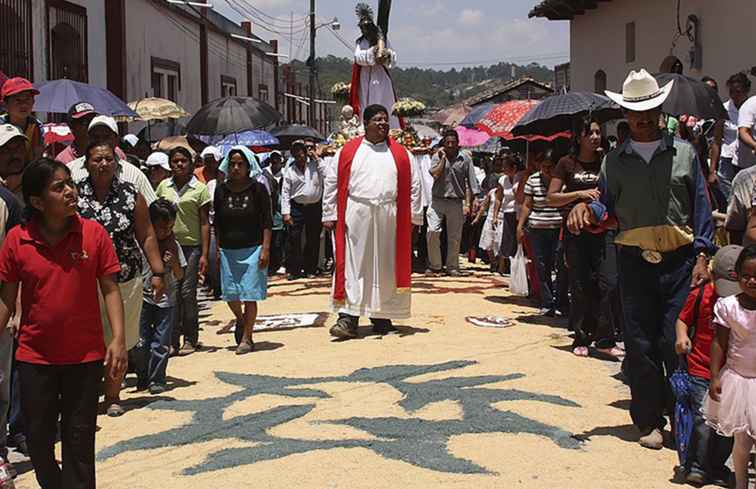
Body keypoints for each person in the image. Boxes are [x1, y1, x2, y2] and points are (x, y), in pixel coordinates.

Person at [571, 69, 715, 449]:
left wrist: (703, 254)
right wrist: (589, 211)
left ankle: (681, 415)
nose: (644, 119)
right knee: (640, 343)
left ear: (660, 110)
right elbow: (607, 207)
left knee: (674, 341)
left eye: (651, 110)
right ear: (626, 115)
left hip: (681, 262)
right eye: (636, 112)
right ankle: (648, 421)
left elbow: (701, 205)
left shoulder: (684, 153)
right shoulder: (615, 161)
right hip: (634, 262)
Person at [0, 158, 127, 489]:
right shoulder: (16, 240)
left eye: (70, 183)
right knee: (39, 443)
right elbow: (5, 299)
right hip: (34, 358)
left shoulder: (93, 234)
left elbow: (110, 289)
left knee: (79, 442)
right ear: (38, 202)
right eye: (59, 187)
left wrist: (118, 339)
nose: (71, 191)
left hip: (84, 359)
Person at [76, 141, 166, 417]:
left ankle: (113, 395)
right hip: (83, 282)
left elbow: (147, 234)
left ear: (116, 164)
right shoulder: (74, 195)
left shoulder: (131, 194)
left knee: (120, 338)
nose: (103, 164)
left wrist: (158, 271)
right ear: (86, 164)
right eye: (96, 160)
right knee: (87, 339)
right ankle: (88, 394)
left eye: (108, 159)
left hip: (124, 278)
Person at [323, 104, 423, 339]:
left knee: (386, 265)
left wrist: (415, 216)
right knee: (355, 264)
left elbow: (415, 186)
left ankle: (382, 315)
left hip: (390, 215)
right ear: (365, 124)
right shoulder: (348, 151)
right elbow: (331, 181)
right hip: (357, 214)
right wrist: (329, 213)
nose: (382, 124)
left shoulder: (401, 153)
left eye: (385, 120)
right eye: (377, 120)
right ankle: (348, 318)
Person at [549, 117, 621, 359]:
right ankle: (581, 336)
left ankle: (605, 338)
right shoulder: (566, 164)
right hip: (576, 231)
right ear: (578, 137)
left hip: (604, 229)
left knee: (609, 283)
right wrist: (580, 194)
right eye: (589, 132)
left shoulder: (607, 161)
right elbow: (552, 197)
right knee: (580, 284)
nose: (595, 136)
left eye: (598, 131)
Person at [674, 246, 740, 486]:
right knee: (704, 421)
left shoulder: (746, 303)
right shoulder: (701, 295)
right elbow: (683, 319)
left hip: (733, 374)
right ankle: (697, 466)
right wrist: (682, 337)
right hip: (700, 368)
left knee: (728, 424)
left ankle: (716, 465)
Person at [703, 245, 756, 489]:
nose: (751, 281)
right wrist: (715, 376)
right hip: (737, 380)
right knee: (741, 441)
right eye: (746, 275)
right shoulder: (728, 306)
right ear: (737, 275)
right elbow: (719, 342)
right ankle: (741, 483)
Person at [214, 146, 272, 354]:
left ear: (248, 167)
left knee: (250, 295)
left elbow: (267, 221)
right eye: (233, 164)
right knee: (231, 295)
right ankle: (241, 320)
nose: (236, 168)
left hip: (254, 248)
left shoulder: (258, 189)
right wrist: (218, 247)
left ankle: (247, 337)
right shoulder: (220, 190)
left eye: (240, 164)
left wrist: (265, 249)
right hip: (228, 250)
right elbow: (217, 222)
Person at [156, 146, 211, 356]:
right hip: (169, 245)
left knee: (187, 292)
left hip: (191, 247)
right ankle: (172, 340)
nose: (179, 164)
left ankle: (191, 337)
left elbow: (205, 223)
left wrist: (205, 254)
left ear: (191, 163)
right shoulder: (163, 187)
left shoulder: (200, 189)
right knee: (172, 293)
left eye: (183, 161)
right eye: (175, 161)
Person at [137, 199, 185, 394]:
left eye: (170, 227)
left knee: (161, 341)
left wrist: (173, 263)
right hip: (142, 298)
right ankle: (142, 376)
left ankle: (157, 378)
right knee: (140, 341)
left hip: (167, 300)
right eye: (161, 228)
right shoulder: (141, 245)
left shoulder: (174, 246)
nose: (165, 232)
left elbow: (180, 275)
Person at [0, 125, 24, 483]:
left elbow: (16, 264)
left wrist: (16, 310)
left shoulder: (9, 203)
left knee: (0, 381)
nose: (13, 156)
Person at [427, 129, 481, 276]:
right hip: (437, 200)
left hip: (456, 201)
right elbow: (435, 174)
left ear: (458, 144)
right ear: (443, 143)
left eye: (453, 142)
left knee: (454, 237)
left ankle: (452, 266)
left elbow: (471, 180)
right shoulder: (436, 156)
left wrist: (475, 198)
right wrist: (443, 159)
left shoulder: (465, 159)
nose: (450, 145)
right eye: (447, 142)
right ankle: (436, 265)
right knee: (432, 231)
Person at [68, 115, 156, 205]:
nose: (100, 140)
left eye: (106, 136)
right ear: (89, 139)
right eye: (95, 136)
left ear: (116, 139)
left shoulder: (135, 175)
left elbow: (153, 208)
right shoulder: (71, 170)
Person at [518, 150, 564, 315]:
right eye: (544, 166)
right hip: (537, 229)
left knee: (559, 265)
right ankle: (547, 302)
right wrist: (520, 226)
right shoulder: (533, 180)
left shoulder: (561, 181)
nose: (547, 169)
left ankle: (560, 301)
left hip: (558, 228)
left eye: (550, 167)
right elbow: (527, 205)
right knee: (541, 265)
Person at [349, 3, 400, 129]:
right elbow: (358, 57)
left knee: (385, 102)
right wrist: (373, 53)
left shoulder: (383, 39)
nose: (364, 30)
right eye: (362, 27)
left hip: (381, 78)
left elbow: (393, 58)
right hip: (365, 79)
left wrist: (385, 55)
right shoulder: (361, 42)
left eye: (366, 26)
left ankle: (390, 129)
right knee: (366, 105)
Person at [281, 140, 324, 280]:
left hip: (314, 207)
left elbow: (329, 175)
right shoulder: (289, 171)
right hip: (297, 207)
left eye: (302, 151)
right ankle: (295, 270)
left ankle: (311, 268)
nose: (299, 154)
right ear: (293, 155)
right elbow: (285, 192)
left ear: (306, 153)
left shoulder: (316, 166)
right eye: (296, 152)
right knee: (294, 238)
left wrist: (317, 158)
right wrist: (286, 213)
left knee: (313, 238)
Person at [716, 73, 751, 199]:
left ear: (746, 91)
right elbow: (717, 139)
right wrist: (712, 169)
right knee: (729, 193)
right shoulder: (724, 109)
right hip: (727, 157)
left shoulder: (752, 108)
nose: (734, 95)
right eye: (731, 91)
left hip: (747, 159)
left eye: (738, 91)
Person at [0, 77, 42, 162]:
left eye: (27, 99)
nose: (24, 105)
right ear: (5, 104)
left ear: (33, 101)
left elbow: (37, 158)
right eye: (18, 100)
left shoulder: (37, 127)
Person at [492, 153, 521, 271]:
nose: (503, 169)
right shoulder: (502, 180)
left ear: (513, 167)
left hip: (519, 213)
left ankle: (516, 267)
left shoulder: (521, 177)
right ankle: (505, 267)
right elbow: (498, 198)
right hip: (507, 212)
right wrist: (495, 215)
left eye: (505, 166)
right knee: (507, 240)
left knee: (517, 240)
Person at [262, 151, 285, 275]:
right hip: (270, 209)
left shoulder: (284, 173)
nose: (275, 162)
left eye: (277, 160)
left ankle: (279, 263)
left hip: (281, 210)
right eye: (273, 160)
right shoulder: (265, 173)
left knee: (279, 241)